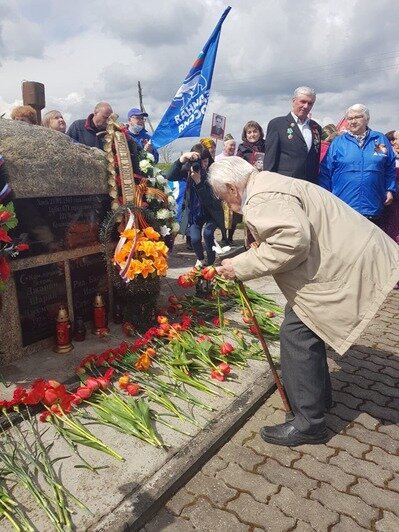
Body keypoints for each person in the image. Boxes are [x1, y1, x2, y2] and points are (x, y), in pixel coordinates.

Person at [208, 156, 399, 447]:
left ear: (232, 187)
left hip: (345, 265)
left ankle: (309, 424)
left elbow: (291, 242)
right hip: (350, 255)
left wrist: (240, 266)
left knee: (296, 333)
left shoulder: (262, 197)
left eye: (226, 199)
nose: (230, 207)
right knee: (305, 320)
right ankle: (319, 400)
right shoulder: (268, 182)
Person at [319, 104, 396, 225]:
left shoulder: (379, 139)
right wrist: (324, 197)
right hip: (343, 206)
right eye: (350, 118)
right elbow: (325, 172)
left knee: (372, 243)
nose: (353, 121)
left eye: (357, 117)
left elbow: (389, 167)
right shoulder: (338, 143)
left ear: (367, 119)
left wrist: (390, 189)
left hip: (373, 205)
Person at [166, 144, 224, 267]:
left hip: (211, 211)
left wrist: (198, 182)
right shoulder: (188, 170)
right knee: (195, 239)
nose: (203, 165)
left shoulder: (214, 173)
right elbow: (169, 176)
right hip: (195, 212)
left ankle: (211, 262)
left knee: (208, 234)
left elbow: (209, 200)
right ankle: (201, 259)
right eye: (200, 161)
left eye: (205, 161)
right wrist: (182, 159)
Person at [263, 86, 322, 183]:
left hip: (309, 185)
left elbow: (315, 160)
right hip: (285, 184)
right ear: (294, 101)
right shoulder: (277, 124)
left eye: (310, 103)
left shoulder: (316, 127)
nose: (306, 106)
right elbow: (270, 159)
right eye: (303, 102)